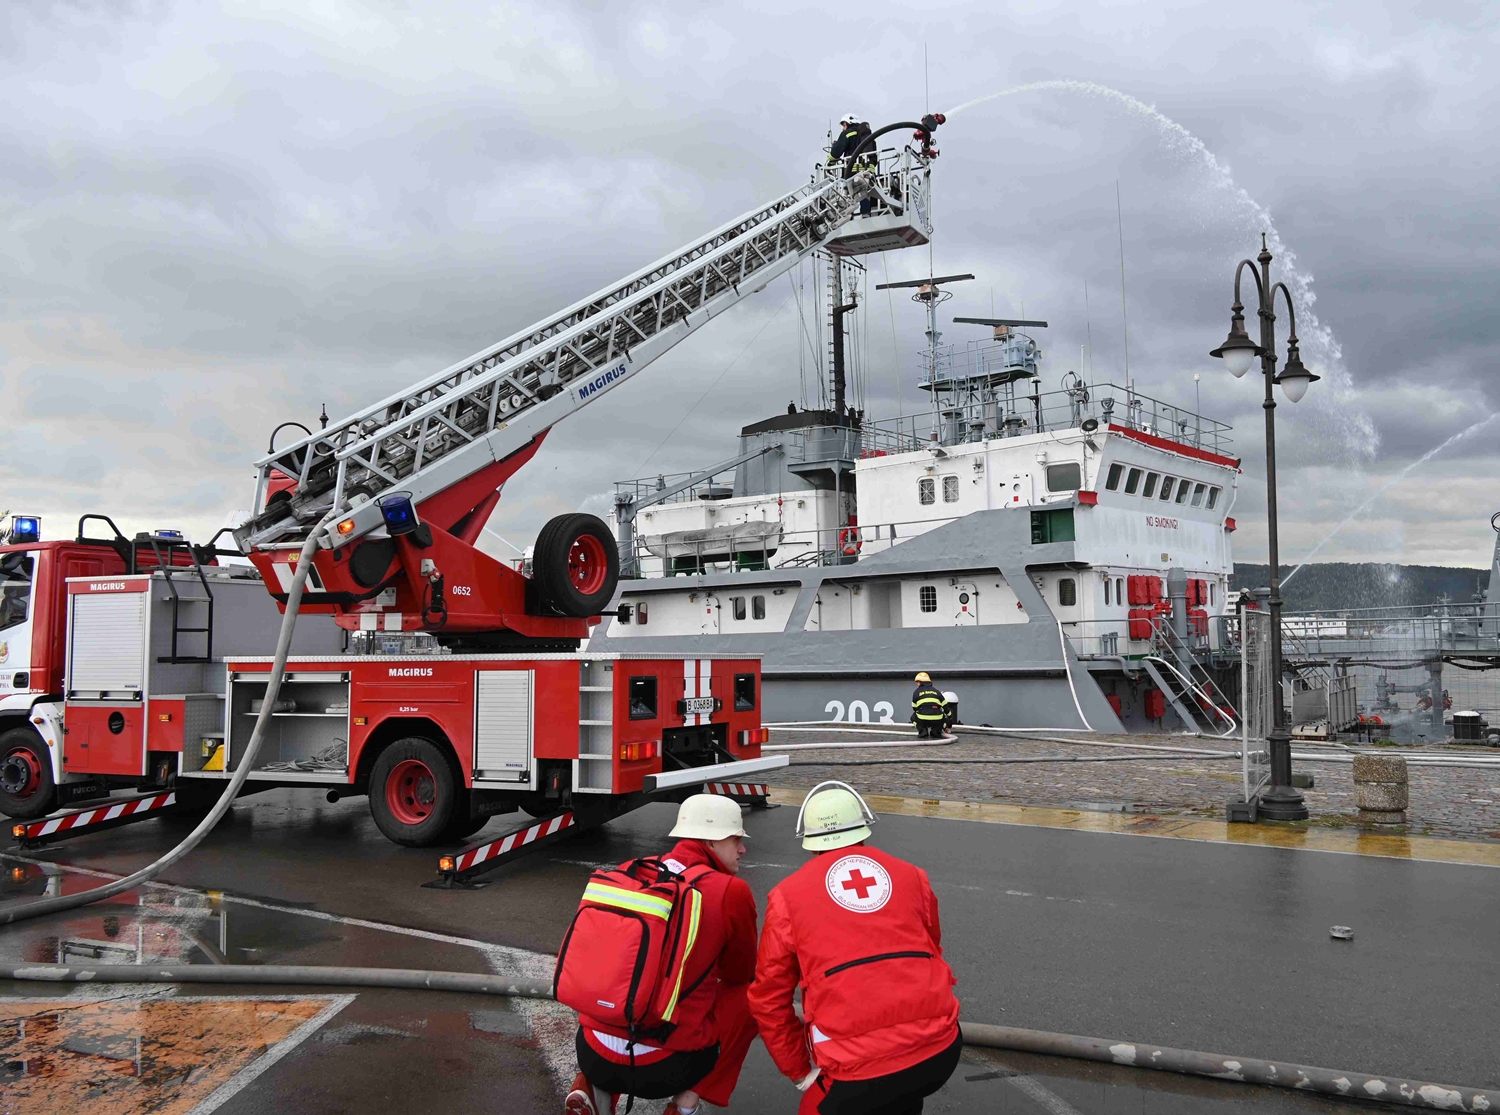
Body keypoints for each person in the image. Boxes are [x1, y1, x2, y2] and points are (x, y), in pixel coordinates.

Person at [748, 781, 962, 1114]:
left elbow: (768, 1000)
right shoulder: (911, 875)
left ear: (810, 841)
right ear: (863, 829)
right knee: (903, 1095)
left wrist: (800, 1071)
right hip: (941, 1053)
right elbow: (931, 946)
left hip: (857, 1074)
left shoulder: (788, 897)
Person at [565, 794, 759, 1115]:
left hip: (592, 1052)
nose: (742, 849)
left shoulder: (630, 871)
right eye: (736, 839)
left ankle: (591, 1087)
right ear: (709, 841)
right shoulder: (729, 891)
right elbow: (739, 973)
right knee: (753, 992)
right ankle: (686, 1104)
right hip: (668, 1066)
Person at [827, 113, 873, 179]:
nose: (843, 128)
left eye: (843, 125)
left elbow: (836, 153)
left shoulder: (847, 133)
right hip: (869, 173)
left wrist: (830, 161)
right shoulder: (867, 135)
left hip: (852, 172)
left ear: (846, 123)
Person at [910, 672, 947, 739]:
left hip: (923, 719)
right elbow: (945, 706)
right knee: (944, 717)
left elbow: (914, 707)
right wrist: (949, 717)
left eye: (917, 682)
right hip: (937, 719)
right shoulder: (937, 691)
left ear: (919, 682)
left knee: (913, 717)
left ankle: (923, 731)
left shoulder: (916, 692)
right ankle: (936, 732)